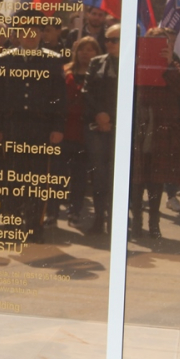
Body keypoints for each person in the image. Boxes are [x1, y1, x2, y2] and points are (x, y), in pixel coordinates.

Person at [0, 18, 67, 242]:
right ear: (18, 35)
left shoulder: (52, 60)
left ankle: (34, 225)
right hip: (13, 126)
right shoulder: (5, 59)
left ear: (41, 34)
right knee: (13, 176)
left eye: (34, 32)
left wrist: (58, 127)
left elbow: (59, 98)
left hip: (41, 127)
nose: (30, 36)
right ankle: (13, 222)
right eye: (25, 32)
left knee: (39, 179)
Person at [130, 28, 180, 238]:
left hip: (161, 126)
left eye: (167, 44)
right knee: (137, 179)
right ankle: (136, 223)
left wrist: (168, 64)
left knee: (156, 179)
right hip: (139, 122)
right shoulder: (134, 61)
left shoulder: (174, 66)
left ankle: (154, 224)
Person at [82, 24, 120, 234]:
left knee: (117, 176)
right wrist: (101, 115)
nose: (109, 44)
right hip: (97, 125)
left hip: (119, 126)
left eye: (115, 40)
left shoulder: (134, 63)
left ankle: (116, 221)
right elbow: (87, 91)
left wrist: (112, 117)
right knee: (99, 175)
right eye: (107, 39)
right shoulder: (97, 62)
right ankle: (98, 219)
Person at [61, 35, 101, 225]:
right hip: (64, 129)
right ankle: (52, 211)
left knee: (79, 175)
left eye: (90, 49)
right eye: (82, 49)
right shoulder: (64, 71)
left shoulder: (98, 73)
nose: (86, 53)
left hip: (85, 131)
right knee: (59, 173)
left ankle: (74, 210)